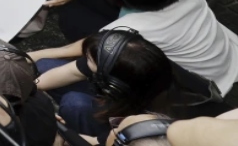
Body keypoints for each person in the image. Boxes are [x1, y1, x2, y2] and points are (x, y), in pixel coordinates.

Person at [35, 0, 238, 96]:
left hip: (194, 82)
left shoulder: (137, 30)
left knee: (46, 64)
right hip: (219, 54)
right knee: (78, 7)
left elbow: (68, 52)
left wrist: (21, 56)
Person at [35, 29, 175, 143]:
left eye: (89, 59)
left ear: (112, 83)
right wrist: (27, 91)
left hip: (110, 128)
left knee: (74, 104)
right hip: (117, 99)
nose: (83, 58)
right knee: (44, 66)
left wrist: (56, 132)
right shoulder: (120, 65)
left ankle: (81, 123)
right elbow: (71, 72)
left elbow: (96, 142)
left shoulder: (137, 123)